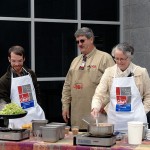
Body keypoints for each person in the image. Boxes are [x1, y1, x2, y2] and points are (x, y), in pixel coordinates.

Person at [61, 27, 115, 130]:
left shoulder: (104, 58)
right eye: (77, 42)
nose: (80, 44)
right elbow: (67, 85)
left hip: (97, 115)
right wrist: (65, 106)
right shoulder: (75, 61)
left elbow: (113, 85)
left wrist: (103, 104)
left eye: (82, 40)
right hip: (76, 117)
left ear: (91, 39)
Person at [91, 42, 150, 132]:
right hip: (115, 121)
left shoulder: (141, 72)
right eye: (116, 59)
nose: (119, 62)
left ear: (130, 58)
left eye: (122, 59)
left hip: (136, 121)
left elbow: (148, 95)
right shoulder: (109, 72)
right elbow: (99, 94)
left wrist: (142, 112)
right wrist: (95, 107)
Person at [0, 45, 45, 128]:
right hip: (17, 121)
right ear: (9, 59)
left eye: (20, 61)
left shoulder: (30, 74)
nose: (17, 64)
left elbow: (37, 93)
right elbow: (4, 104)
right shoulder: (4, 80)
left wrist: (38, 108)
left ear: (24, 59)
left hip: (35, 116)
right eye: (13, 61)